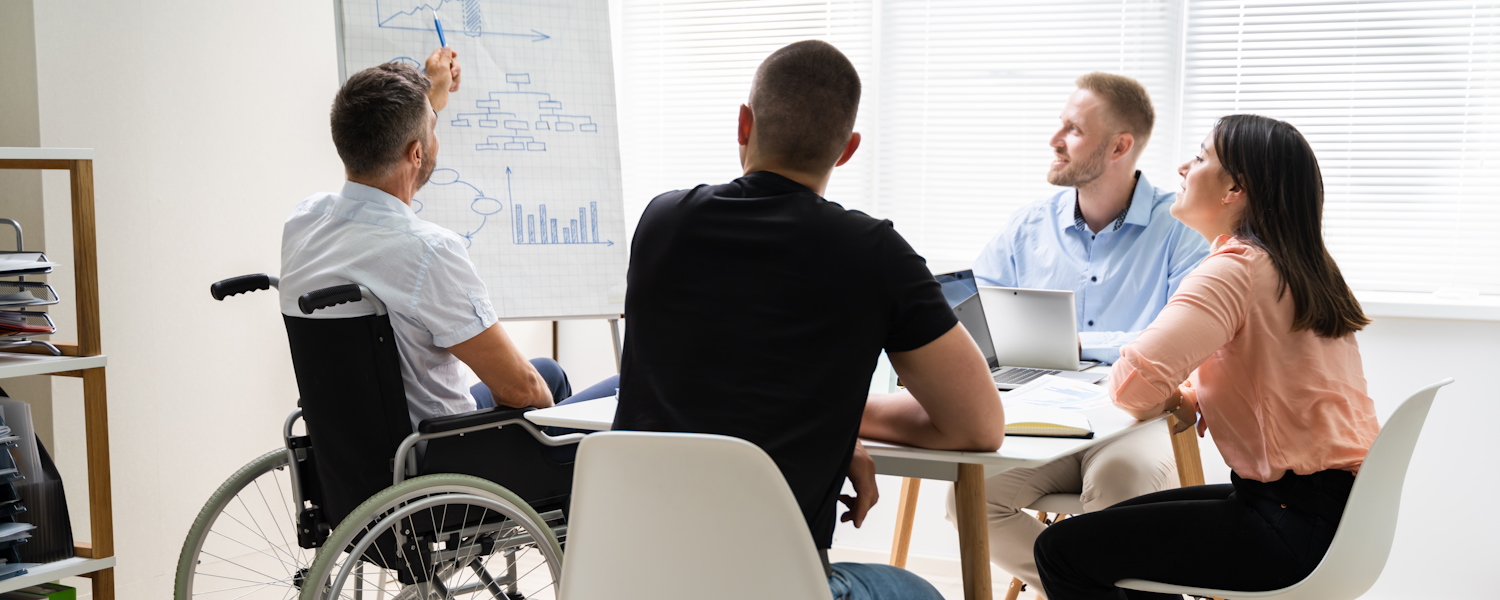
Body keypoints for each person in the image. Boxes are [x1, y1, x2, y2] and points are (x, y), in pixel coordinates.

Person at [613, 40, 1006, 600]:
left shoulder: (662, 221)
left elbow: (715, 373)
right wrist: (841, 424)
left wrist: (837, 433)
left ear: (744, 124)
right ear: (847, 149)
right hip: (775, 584)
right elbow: (979, 427)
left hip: (633, 574)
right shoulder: (874, 254)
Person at [1032, 114, 1380, 599]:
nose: (1181, 167)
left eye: (1199, 157)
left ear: (1234, 188)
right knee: (1111, 533)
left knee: (1061, 549)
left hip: (1286, 525)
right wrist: (1192, 393)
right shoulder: (1302, 268)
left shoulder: (1234, 269)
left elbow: (1132, 387)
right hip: (1338, 512)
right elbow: (1281, 374)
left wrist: (1168, 395)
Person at [951, 73, 1209, 593]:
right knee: (970, 499)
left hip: (1138, 418)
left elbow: (1183, 340)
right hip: (1040, 415)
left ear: (1119, 146)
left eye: (1073, 129)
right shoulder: (1027, 227)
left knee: (1120, 486)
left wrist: (1077, 346)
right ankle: (1082, 590)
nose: (1054, 140)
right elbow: (977, 321)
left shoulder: (1179, 229)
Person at [280, 48, 618, 434]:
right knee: (612, 390)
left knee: (549, 372)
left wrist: (431, 98)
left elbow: (396, 140)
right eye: (433, 127)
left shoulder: (304, 221)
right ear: (417, 152)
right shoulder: (426, 251)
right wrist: (548, 433)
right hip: (446, 455)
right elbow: (519, 389)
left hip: (364, 451)